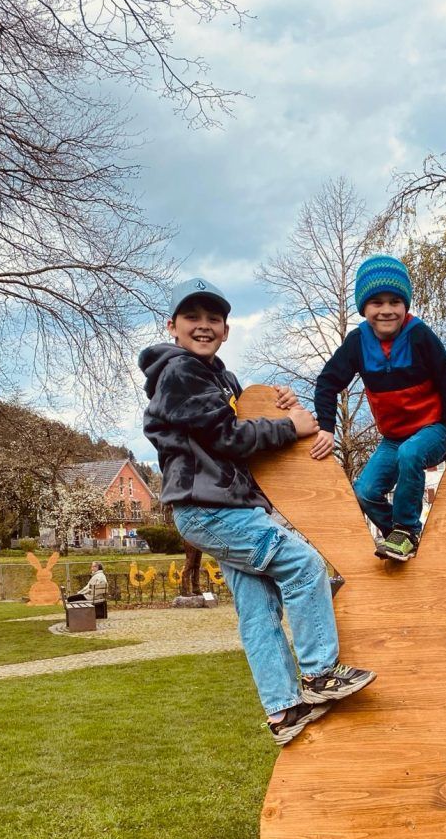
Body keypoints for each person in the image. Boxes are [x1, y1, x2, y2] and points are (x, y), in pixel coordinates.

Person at [138, 277, 376, 746]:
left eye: (213, 318)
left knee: (258, 607)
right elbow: (227, 437)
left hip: (224, 507)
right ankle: (320, 673)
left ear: (226, 330)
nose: (203, 326)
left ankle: (283, 709)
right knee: (304, 565)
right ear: (172, 326)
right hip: (212, 508)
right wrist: (289, 427)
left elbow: (245, 423)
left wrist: (280, 406)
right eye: (192, 317)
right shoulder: (181, 371)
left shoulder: (221, 379)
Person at [312, 255, 446, 561]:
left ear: (405, 305)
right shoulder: (358, 342)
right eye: (377, 303)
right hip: (394, 438)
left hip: (434, 429)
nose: (386, 310)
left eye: (395, 302)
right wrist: (326, 428)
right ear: (364, 308)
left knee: (410, 453)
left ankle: (407, 530)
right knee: (365, 491)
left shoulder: (419, 335)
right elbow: (328, 382)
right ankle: (402, 541)